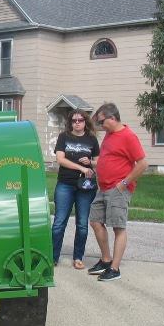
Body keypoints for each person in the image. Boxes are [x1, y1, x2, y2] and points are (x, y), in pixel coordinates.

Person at [88, 103, 148, 282]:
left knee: (118, 227)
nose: (100, 126)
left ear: (113, 118)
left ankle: (114, 268)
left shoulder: (128, 136)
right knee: (95, 222)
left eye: (101, 122)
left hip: (118, 189)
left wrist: (124, 183)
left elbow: (143, 163)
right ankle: (106, 260)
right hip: (103, 188)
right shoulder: (109, 134)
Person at [51, 109, 100, 269]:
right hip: (65, 184)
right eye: (74, 120)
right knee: (59, 222)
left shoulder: (92, 139)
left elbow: (99, 162)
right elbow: (60, 159)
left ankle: (78, 257)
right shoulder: (63, 137)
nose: (77, 123)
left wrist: (90, 163)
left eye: (80, 120)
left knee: (82, 224)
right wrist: (81, 168)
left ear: (85, 122)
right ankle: (53, 257)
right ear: (70, 122)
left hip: (85, 187)